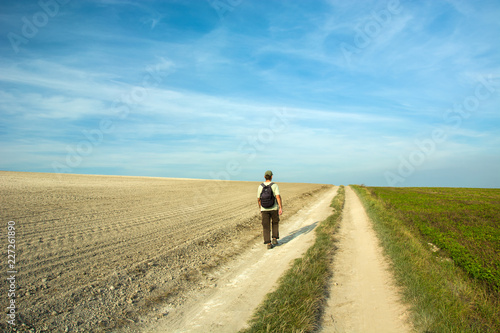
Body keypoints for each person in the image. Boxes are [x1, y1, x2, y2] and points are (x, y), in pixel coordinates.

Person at [257, 170, 283, 249]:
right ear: (271, 176)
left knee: (266, 226)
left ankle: (268, 243)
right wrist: (280, 207)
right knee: (275, 223)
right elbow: (278, 197)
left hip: (264, 209)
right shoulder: (274, 186)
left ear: (264, 177)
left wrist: (260, 207)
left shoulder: (260, 186)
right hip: (274, 208)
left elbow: (258, 199)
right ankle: (274, 238)